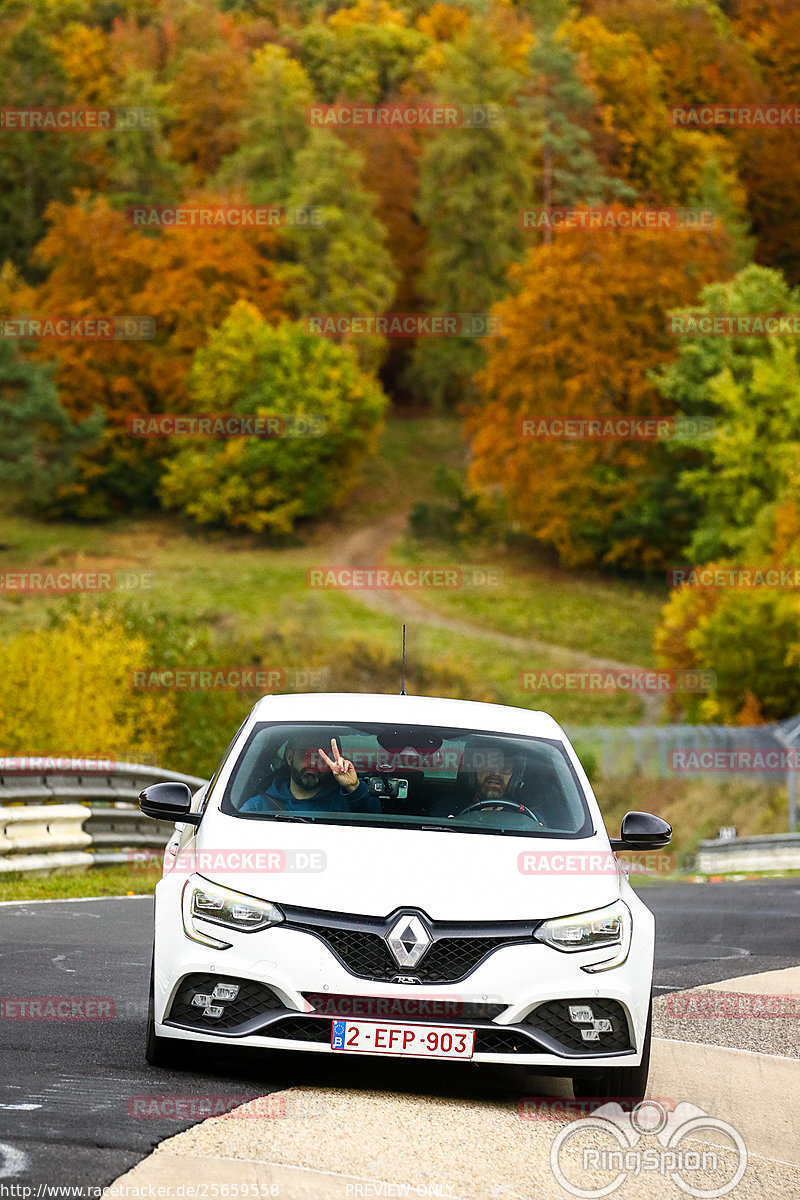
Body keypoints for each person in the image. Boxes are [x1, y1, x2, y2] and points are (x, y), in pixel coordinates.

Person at [240, 733, 381, 815]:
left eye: (320, 755)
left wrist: (354, 787)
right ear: (289, 757)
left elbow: (377, 820)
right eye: (305, 753)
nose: (312, 761)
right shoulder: (259, 805)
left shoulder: (346, 803)